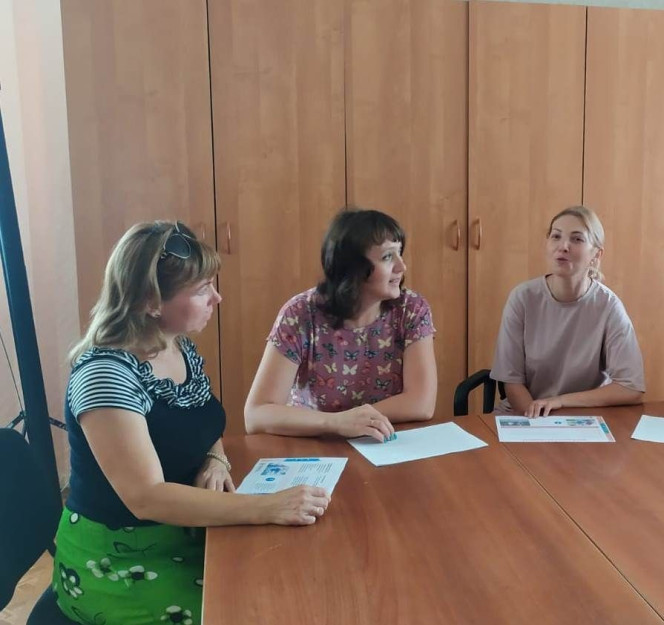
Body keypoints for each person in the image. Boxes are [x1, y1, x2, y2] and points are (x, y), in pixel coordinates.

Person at [54, 221, 329, 625]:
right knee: (260, 608)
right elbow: (146, 497)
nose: (216, 297)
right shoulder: (105, 376)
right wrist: (266, 506)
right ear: (151, 301)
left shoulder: (174, 346)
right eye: (201, 289)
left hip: (186, 528)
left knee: (296, 579)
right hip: (120, 561)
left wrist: (215, 458)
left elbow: (201, 420)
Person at [245, 209, 437, 438]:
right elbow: (256, 414)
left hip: (383, 441)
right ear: (353, 266)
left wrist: (358, 422)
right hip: (316, 441)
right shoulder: (300, 313)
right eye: (387, 257)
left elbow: (421, 403)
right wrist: (336, 423)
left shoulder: (411, 308)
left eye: (399, 253)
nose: (401, 267)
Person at [491, 206, 645, 417]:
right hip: (525, 415)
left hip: (582, 418)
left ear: (596, 254)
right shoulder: (523, 298)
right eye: (556, 236)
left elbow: (631, 387)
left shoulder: (608, 306)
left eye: (577, 239)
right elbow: (512, 383)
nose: (563, 246)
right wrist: (538, 422)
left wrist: (559, 402)